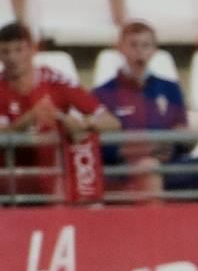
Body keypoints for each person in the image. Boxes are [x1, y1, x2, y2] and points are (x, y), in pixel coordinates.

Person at [92, 21, 198, 201]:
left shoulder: (170, 88)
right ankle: (155, 227)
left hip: (171, 163)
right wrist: (139, 148)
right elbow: (101, 145)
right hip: (128, 168)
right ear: (120, 48)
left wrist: (181, 139)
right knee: (149, 167)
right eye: (133, 45)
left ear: (154, 50)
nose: (139, 51)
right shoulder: (103, 94)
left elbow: (180, 133)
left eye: (145, 45)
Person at [0, 21, 120, 203]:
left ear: (33, 50)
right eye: (5, 52)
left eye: (18, 50)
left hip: (52, 175)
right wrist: (29, 119)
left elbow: (112, 123)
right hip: (10, 174)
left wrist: (83, 124)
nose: (12, 58)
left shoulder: (56, 81)